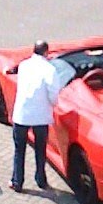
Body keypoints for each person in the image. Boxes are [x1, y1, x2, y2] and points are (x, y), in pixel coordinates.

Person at [10, 40, 61, 193]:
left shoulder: (24, 66)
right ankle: (41, 180)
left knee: (19, 149)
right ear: (46, 52)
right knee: (40, 149)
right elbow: (54, 93)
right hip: (40, 116)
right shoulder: (49, 70)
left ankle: (17, 181)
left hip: (22, 115)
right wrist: (52, 104)